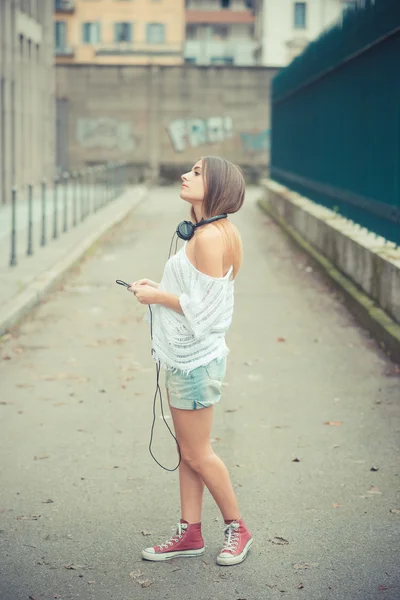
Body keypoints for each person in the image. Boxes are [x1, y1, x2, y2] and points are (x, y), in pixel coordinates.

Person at [129, 155, 253, 566]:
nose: (185, 175)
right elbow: (197, 296)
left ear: (216, 186)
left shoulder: (209, 238)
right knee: (188, 452)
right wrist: (158, 287)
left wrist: (157, 296)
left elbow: (208, 313)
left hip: (196, 364)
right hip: (188, 361)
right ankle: (190, 533)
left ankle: (238, 528)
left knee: (199, 453)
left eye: (197, 172)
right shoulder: (207, 233)